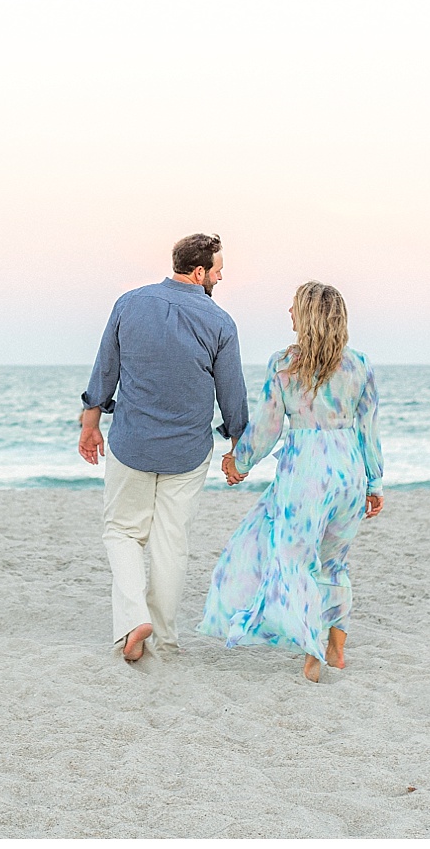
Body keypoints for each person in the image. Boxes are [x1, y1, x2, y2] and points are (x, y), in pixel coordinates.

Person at [197, 281, 384, 682]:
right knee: (334, 562)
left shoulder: (284, 364)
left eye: (295, 307)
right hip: (347, 470)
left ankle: (313, 653)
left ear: (309, 316)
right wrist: (374, 482)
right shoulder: (361, 365)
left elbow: (267, 426)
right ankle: (337, 647)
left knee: (297, 562)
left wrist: (239, 461)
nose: (289, 312)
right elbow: (369, 429)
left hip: (305, 473)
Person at [79, 233, 249, 663]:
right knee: (171, 542)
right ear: (199, 272)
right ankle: (165, 639)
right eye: (218, 271)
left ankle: (135, 621)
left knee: (122, 531)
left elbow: (106, 368)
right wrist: (238, 448)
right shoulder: (220, 322)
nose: (220, 277)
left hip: (132, 443)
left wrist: (91, 423)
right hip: (187, 453)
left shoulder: (129, 304)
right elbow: (232, 394)